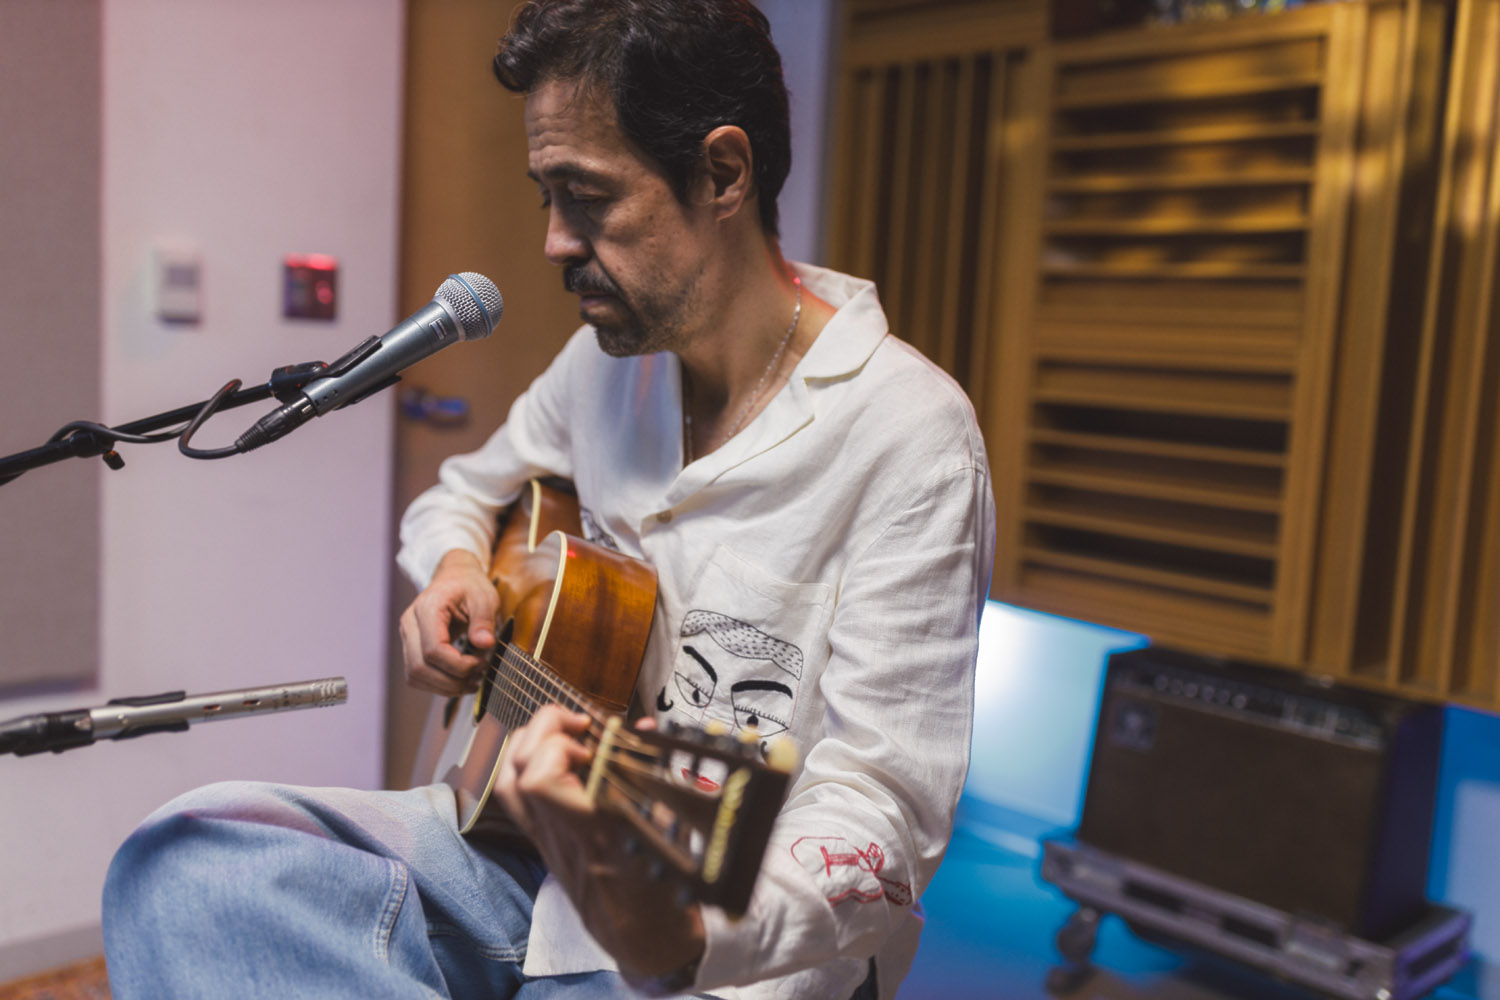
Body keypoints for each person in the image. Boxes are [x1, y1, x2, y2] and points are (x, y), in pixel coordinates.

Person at [101, 1, 996, 997]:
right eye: (546, 198)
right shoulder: (604, 369)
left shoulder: (909, 436)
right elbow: (458, 495)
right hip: (517, 859)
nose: (554, 243)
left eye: (588, 197)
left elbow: (883, 813)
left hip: (716, 948)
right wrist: (455, 567)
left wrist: (687, 928)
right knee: (186, 859)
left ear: (722, 173)